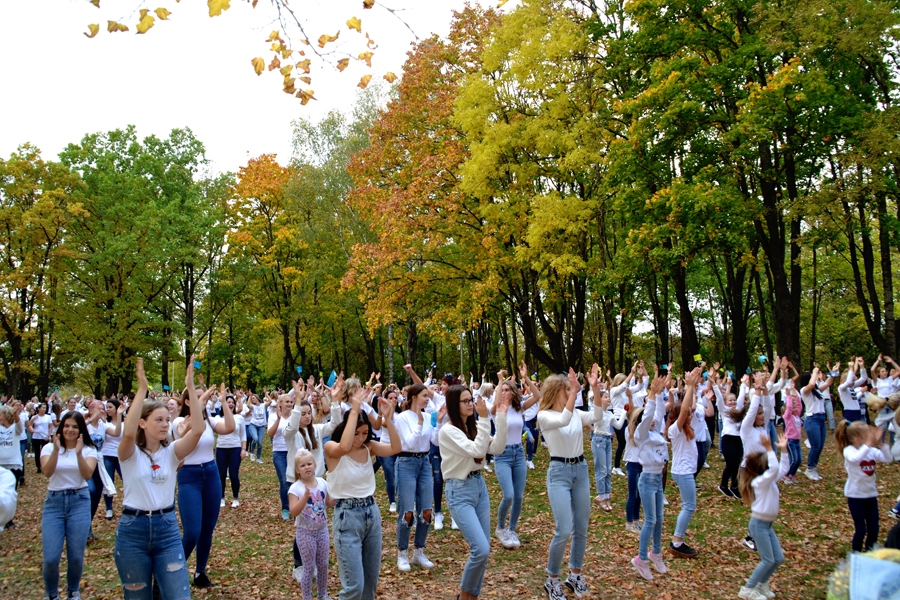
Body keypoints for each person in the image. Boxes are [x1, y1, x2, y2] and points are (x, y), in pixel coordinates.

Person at [115, 357, 211, 599]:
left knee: (179, 596)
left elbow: (198, 430)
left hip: (166, 528)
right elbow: (127, 433)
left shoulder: (172, 452)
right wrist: (141, 389)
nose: (164, 424)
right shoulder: (130, 454)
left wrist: (190, 387)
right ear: (143, 424)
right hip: (132, 530)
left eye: (167, 419)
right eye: (158, 420)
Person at [324, 386, 400, 600]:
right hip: (347, 516)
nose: (360, 437)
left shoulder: (370, 447)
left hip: (371, 512)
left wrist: (388, 419)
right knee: (354, 587)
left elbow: (396, 447)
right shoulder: (332, 448)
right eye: (356, 432)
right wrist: (355, 411)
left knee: (369, 587)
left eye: (365, 433)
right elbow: (345, 446)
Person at [538, 365, 605, 600]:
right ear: (557, 391)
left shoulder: (575, 412)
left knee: (582, 527)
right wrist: (576, 393)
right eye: (567, 389)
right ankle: (552, 579)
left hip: (581, 470)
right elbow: (564, 419)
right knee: (564, 529)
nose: (571, 391)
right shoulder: (544, 416)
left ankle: (575, 574)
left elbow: (597, 416)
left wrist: (594, 388)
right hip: (559, 472)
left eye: (571, 388)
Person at [439, 383, 509, 600]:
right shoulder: (448, 431)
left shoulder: (474, 426)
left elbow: (496, 448)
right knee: (480, 549)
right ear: (454, 404)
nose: (471, 404)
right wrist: (486, 418)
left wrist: (502, 417)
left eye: (471, 399)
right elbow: (477, 450)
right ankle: (463, 597)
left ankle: (472, 597)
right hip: (459, 491)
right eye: (466, 401)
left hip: (479, 487)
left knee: (483, 551)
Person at [173, 381, 236, 588]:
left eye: (205, 397)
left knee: (207, 528)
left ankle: (200, 573)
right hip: (189, 477)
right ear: (188, 401)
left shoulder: (210, 421)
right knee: (192, 532)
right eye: (198, 396)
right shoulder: (181, 422)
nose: (204, 399)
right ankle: (172, 571)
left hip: (211, 473)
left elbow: (230, 427)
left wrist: (223, 400)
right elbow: (183, 436)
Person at [285, 379, 341, 582]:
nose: (307, 417)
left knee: (317, 521)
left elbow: (335, 424)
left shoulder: (317, 430)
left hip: (317, 483)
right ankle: (299, 565)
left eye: (309, 413)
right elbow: (291, 425)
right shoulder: (290, 434)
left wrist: (334, 401)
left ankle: (314, 563)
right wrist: (298, 402)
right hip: (299, 484)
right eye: (303, 414)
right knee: (303, 525)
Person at [40, 410, 98, 600]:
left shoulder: (90, 450)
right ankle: (51, 594)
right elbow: (47, 472)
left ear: (81, 429)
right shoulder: (49, 448)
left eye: (75, 426)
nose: (70, 430)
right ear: (60, 427)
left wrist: (79, 454)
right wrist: (57, 450)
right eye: (66, 426)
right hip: (54, 503)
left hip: (79, 502)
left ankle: (73, 591)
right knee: (50, 558)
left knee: (75, 556)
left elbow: (87, 475)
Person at [491, 363, 541, 547]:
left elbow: (538, 396)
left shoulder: (519, 407)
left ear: (512, 392)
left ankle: (512, 530)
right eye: (501, 390)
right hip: (502, 454)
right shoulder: (497, 409)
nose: (504, 392)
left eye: (506, 390)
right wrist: (499, 381)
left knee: (519, 496)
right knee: (509, 495)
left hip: (518, 454)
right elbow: (496, 403)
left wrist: (526, 378)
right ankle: (500, 528)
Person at [737, 433, 790, 600]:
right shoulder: (758, 483)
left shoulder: (770, 481)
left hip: (767, 525)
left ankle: (762, 584)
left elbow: (783, 469)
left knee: (778, 558)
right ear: (763, 469)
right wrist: (768, 448)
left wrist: (784, 450)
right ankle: (747, 589)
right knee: (767, 559)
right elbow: (775, 469)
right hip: (758, 525)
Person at [630, 368, 670, 581]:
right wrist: (651, 396)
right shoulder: (641, 433)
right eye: (648, 417)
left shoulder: (656, 430)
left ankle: (656, 553)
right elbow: (648, 416)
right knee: (650, 520)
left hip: (657, 480)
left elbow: (659, 412)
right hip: (646, 480)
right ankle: (641, 559)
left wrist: (660, 392)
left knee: (659, 520)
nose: (653, 419)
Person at [393, 382, 437, 571]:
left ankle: (419, 551)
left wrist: (438, 423)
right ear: (414, 397)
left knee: (426, 510)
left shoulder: (428, 416)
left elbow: (434, 440)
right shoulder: (402, 418)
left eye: (428, 396)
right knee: (407, 512)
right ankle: (402, 553)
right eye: (424, 396)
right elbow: (409, 444)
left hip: (424, 463)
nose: (427, 399)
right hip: (406, 463)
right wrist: (419, 424)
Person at [835, 420, 893, 552]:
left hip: (870, 495)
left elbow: (888, 459)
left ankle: (869, 555)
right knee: (861, 529)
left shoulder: (871, 451)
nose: (871, 437)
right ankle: (855, 555)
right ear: (858, 439)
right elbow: (855, 458)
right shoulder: (849, 451)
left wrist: (881, 444)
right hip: (855, 496)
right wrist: (867, 445)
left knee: (874, 529)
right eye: (868, 435)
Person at [289, 449, 335, 600]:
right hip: (305, 532)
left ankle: (322, 594)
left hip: (322, 531)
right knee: (308, 568)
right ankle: (306, 596)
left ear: (315, 465)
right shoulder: (295, 488)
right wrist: (305, 497)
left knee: (323, 565)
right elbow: (294, 512)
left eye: (309, 464)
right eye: (302, 465)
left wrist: (336, 493)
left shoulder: (322, 483)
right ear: (297, 470)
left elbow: (329, 503)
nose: (307, 467)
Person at [667, 367, 701, 558]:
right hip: (682, 471)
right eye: (687, 414)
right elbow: (686, 409)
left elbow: (690, 407)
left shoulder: (687, 428)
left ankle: (678, 540)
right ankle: (677, 541)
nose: (690, 415)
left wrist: (693, 386)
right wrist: (688, 387)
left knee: (688, 505)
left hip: (685, 470)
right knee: (688, 505)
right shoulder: (675, 429)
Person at [801, 367, 834, 480]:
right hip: (812, 419)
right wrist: (814, 372)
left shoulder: (818, 390)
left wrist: (833, 372)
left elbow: (829, 382)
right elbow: (810, 385)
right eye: (812, 377)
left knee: (819, 446)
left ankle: (814, 467)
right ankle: (809, 468)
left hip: (820, 419)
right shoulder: (804, 390)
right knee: (815, 446)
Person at [215, 394, 246, 509]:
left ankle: (235, 498)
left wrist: (243, 449)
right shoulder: (218, 419)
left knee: (233, 474)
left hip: (235, 448)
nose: (231, 404)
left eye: (232, 402)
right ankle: (221, 498)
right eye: (228, 402)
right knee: (221, 474)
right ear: (223, 404)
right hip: (221, 448)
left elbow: (243, 435)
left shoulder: (239, 418)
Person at [268, 391, 296, 520]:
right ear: (281, 404)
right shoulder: (273, 416)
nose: (289, 404)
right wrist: (279, 419)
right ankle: (286, 508)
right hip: (279, 452)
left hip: (293, 451)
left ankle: (296, 507)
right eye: (287, 402)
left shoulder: (295, 417)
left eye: (291, 402)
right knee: (284, 481)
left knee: (294, 481)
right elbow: (270, 434)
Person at [0, 403, 24, 528]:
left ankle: (9, 520)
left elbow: (20, 426)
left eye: (0, 414)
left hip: (13, 464)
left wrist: (15, 413)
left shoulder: (15, 428)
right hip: (0, 465)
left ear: (6, 415)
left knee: (9, 493)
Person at [101, 399, 125, 519]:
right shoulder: (105, 424)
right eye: (107, 407)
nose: (108, 409)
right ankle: (109, 509)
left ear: (117, 408)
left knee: (127, 480)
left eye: (110, 407)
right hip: (108, 455)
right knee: (108, 482)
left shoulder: (125, 423)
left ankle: (128, 505)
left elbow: (122, 433)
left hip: (121, 456)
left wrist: (120, 416)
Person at [782, 388, 803, 484]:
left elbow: (799, 406)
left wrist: (796, 397)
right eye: (792, 407)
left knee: (799, 460)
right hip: (790, 440)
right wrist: (789, 397)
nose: (795, 408)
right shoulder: (788, 417)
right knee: (793, 459)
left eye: (795, 407)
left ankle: (792, 474)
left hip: (797, 440)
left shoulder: (797, 416)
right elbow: (789, 408)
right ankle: (786, 475)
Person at [28, 402, 56, 473]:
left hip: (45, 437)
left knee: (45, 452)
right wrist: (32, 420)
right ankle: (38, 466)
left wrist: (48, 435)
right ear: (39, 409)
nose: (44, 409)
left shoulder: (48, 417)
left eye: (45, 408)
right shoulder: (35, 417)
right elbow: (30, 426)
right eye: (43, 408)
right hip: (36, 437)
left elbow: (50, 427)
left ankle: (45, 465)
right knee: (37, 452)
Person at [246, 394, 267, 462]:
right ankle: (252, 453)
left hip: (261, 426)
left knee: (260, 443)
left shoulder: (263, 405)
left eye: (253, 398)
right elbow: (248, 405)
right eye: (252, 399)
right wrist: (249, 396)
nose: (252, 399)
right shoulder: (253, 407)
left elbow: (270, 401)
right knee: (255, 438)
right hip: (253, 425)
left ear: (257, 398)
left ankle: (258, 458)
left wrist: (266, 394)